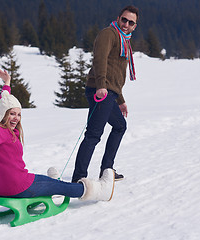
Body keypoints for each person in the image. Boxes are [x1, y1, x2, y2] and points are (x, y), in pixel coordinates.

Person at [0, 66, 115, 201]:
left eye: (19, 114)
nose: (16, 118)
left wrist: (6, 83)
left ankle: (53, 188)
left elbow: (4, 100)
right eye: (12, 114)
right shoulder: (2, 132)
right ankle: (100, 191)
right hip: (18, 186)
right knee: (61, 186)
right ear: (4, 114)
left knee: (49, 182)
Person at [71, 6, 139, 183]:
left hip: (110, 92)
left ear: (134, 26)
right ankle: (79, 177)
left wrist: (120, 100)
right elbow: (99, 60)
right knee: (93, 134)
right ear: (118, 18)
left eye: (130, 22)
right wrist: (101, 86)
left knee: (119, 126)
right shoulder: (109, 34)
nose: (126, 24)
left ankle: (107, 170)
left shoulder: (124, 40)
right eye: (124, 20)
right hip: (100, 90)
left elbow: (116, 73)